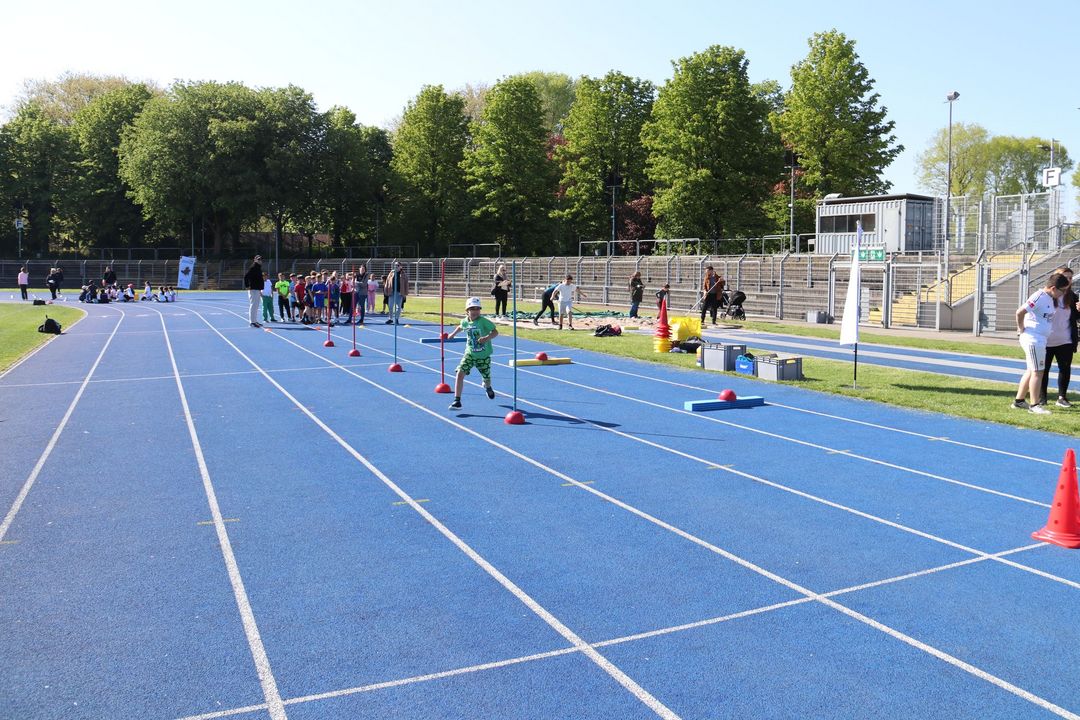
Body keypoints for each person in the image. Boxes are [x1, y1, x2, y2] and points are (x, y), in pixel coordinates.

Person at [1013, 273, 1071, 414]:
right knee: (1038, 372)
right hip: (1033, 338)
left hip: (1040, 339)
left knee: (1031, 370)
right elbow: (1020, 312)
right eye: (1062, 290)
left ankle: (1019, 401)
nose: (1063, 293)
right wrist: (1020, 328)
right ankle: (1034, 405)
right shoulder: (1039, 297)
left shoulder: (1050, 298)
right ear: (1053, 288)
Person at [446, 296, 498, 410]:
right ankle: (457, 401)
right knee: (460, 373)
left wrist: (486, 338)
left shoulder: (483, 321)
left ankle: (488, 387)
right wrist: (453, 334)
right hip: (469, 354)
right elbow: (461, 326)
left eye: (477, 309)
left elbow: (495, 332)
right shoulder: (465, 321)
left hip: (483, 356)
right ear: (467, 311)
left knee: (487, 378)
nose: (475, 311)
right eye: (472, 309)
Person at [1040, 266, 1079, 408]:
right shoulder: (1046, 295)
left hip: (1065, 340)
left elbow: (1076, 318)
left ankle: (1062, 397)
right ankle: (1042, 398)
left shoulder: (1073, 296)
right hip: (1046, 340)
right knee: (1043, 370)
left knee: (1065, 369)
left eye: (1070, 278)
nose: (1068, 280)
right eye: (1065, 277)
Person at [243, 256, 264, 327]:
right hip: (253, 289)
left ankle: (255, 321)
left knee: (256, 305)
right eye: (258, 259)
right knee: (253, 305)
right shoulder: (253, 267)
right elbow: (246, 276)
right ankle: (252, 322)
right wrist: (247, 286)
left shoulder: (258, 268)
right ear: (255, 260)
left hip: (257, 289)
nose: (260, 260)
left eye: (260, 259)